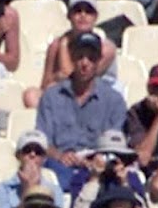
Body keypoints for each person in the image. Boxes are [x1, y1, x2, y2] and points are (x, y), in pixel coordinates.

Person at [35, 30, 125, 182]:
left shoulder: (114, 100)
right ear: (72, 58)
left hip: (98, 168)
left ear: (98, 61)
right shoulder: (51, 97)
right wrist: (60, 156)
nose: (85, 63)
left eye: (91, 58)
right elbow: (42, 141)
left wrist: (94, 159)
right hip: (60, 167)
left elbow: (115, 143)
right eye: (80, 57)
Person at [33, 0, 116, 108]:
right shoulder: (55, 45)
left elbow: (79, 79)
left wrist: (64, 46)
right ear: (69, 15)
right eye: (77, 11)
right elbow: (45, 85)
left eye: (88, 11)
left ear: (95, 17)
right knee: (31, 95)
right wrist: (62, 45)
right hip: (65, 96)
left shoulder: (106, 48)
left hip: (97, 97)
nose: (83, 15)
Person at [67, 128, 146, 208]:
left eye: (121, 156)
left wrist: (125, 184)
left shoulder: (132, 177)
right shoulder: (82, 177)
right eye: (108, 155)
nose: (114, 160)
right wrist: (94, 179)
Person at [0, 128, 66, 208]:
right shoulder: (2, 189)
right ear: (18, 155)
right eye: (27, 150)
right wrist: (28, 190)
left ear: (44, 158)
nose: (32, 154)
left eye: (38, 151)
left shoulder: (55, 190)